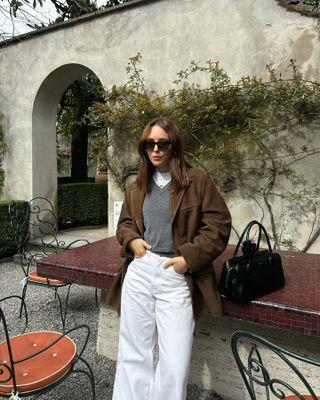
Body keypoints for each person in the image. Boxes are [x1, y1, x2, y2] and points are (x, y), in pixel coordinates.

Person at [108, 117, 231, 400]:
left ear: (174, 145)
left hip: (176, 274)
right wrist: (133, 241)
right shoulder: (136, 186)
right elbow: (124, 224)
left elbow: (219, 226)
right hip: (140, 270)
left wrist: (187, 259)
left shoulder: (197, 180)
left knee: (174, 362)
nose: (156, 149)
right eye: (149, 143)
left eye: (163, 143)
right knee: (133, 354)